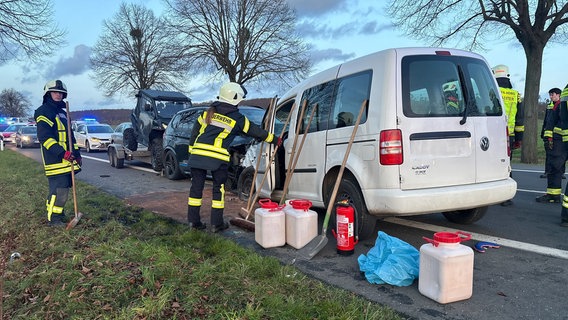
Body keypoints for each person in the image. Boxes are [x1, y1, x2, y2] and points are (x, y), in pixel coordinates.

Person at [186, 82, 281, 232]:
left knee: (196, 190)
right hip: (217, 159)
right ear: (235, 98)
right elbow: (255, 131)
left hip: (197, 156)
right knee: (218, 190)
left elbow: (194, 134)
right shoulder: (237, 118)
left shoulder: (206, 113)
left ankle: (193, 223)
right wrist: (275, 139)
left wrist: (192, 152)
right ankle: (216, 224)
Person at [34, 80, 82, 226]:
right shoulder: (43, 111)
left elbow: (70, 137)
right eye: (55, 92)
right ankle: (53, 219)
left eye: (61, 93)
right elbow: (44, 138)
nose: (58, 95)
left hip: (67, 159)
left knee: (64, 187)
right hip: (55, 160)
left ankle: (58, 214)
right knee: (58, 189)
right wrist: (62, 153)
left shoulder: (62, 113)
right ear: (48, 94)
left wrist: (77, 154)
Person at [492, 64, 524, 206]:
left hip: (492, 135)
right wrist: (519, 139)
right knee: (505, 164)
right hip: (509, 136)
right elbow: (520, 119)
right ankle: (506, 197)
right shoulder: (516, 95)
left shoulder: (492, 91)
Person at [536, 88, 564, 203]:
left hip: (558, 142)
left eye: (552, 94)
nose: (551, 96)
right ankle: (553, 195)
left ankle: (553, 196)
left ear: (559, 95)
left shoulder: (560, 107)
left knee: (554, 168)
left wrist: (551, 138)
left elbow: (554, 124)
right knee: (556, 168)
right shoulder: (554, 106)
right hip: (559, 141)